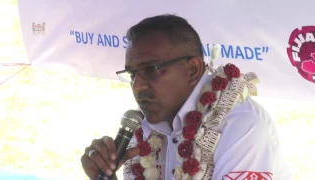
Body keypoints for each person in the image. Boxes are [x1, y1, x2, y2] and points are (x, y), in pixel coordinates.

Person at [81, 14, 293, 180]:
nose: (137, 85)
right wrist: (104, 176)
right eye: (133, 74)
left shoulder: (242, 126)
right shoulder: (147, 128)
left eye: (151, 69)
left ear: (192, 70)